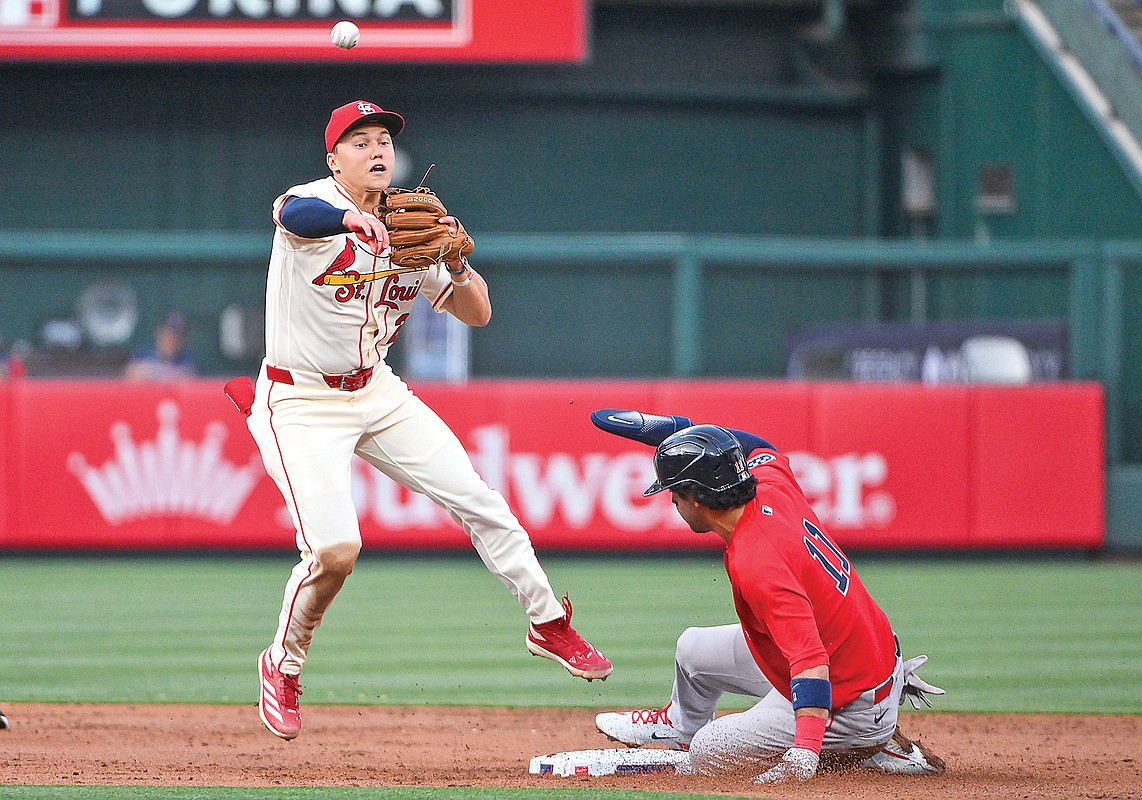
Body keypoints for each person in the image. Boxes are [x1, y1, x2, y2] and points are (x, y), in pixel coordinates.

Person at [239, 100, 611, 742]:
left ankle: (548, 622)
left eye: (383, 139)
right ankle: (283, 662)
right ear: (334, 157)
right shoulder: (312, 205)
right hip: (297, 402)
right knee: (335, 550)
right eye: (360, 141)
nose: (376, 149)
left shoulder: (414, 225)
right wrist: (351, 217)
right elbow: (289, 213)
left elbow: (478, 314)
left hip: (378, 393)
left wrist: (459, 262)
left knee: (480, 499)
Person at [587, 408, 945, 783]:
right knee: (692, 649)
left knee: (711, 751)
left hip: (851, 697)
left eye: (674, 492)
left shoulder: (758, 560)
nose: (671, 501)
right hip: (859, 655)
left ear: (696, 499)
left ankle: (864, 747)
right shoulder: (768, 485)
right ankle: (680, 727)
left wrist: (804, 755)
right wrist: (681, 430)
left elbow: (810, 662)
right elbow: (758, 446)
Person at [123, 314, 196, 381]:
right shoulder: (143, 356)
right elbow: (130, 378)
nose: (171, 341)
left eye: (176, 338)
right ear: (159, 335)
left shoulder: (185, 361)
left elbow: (188, 378)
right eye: (168, 336)